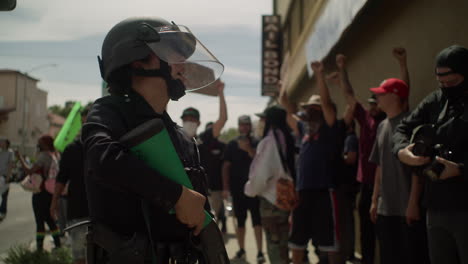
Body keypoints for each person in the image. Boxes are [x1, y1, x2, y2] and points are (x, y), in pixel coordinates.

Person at [82, 17, 225, 263]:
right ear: (138, 61)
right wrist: (175, 196)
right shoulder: (110, 112)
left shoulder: (182, 138)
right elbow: (102, 159)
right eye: (173, 53)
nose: (184, 65)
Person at [393, 45, 468, 264]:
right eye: (441, 83)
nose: (446, 88)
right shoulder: (435, 100)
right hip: (436, 205)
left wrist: (461, 169)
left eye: (452, 83)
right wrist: (402, 152)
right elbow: (402, 129)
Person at [335, 47, 409, 264]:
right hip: (368, 186)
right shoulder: (366, 119)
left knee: (395, 240)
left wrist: (403, 65)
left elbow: (405, 92)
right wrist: (342, 69)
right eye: (371, 102)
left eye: (375, 101)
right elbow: (349, 95)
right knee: (366, 231)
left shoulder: (395, 120)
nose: (373, 105)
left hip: (392, 189)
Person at [281, 61, 345, 264]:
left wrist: (319, 75)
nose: (311, 110)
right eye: (309, 108)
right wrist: (284, 80)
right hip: (302, 193)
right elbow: (284, 102)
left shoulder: (329, 127)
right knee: (297, 242)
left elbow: (326, 103)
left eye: (314, 108)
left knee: (329, 243)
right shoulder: (303, 130)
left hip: (323, 191)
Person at [367, 77, 428, 264]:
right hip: (386, 209)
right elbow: (379, 166)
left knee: (411, 257)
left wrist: (413, 203)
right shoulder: (382, 126)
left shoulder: (411, 125)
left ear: (395, 96)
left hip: (406, 209)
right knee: (388, 257)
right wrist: (375, 200)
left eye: (381, 93)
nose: (376, 97)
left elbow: (419, 166)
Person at [245, 105, 296, 264]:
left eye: (262, 119)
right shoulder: (287, 138)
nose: (260, 122)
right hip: (285, 199)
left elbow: (260, 175)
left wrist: (250, 189)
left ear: (269, 121)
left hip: (271, 203)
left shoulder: (269, 142)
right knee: (283, 247)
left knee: (275, 250)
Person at [222, 115, 265, 263]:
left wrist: (249, 149)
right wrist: (225, 188)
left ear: (250, 127)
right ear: (239, 126)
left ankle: (260, 252)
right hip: (237, 190)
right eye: (242, 124)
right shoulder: (232, 145)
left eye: (247, 125)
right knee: (240, 222)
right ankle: (241, 249)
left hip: (254, 190)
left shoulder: (257, 143)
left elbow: (262, 163)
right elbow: (226, 166)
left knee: (257, 221)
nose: (244, 127)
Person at [50, 107, 90, 264]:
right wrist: (53, 203)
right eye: (84, 121)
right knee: (80, 257)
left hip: (102, 216)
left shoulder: (106, 147)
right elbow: (61, 179)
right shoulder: (71, 150)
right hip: (79, 214)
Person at [16, 135, 62, 250]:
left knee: (40, 221)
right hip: (50, 192)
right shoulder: (55, 155)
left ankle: (39, 250)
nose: (38, 145)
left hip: (40, 192)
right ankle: (58, 245)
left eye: (39, 143)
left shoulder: (43, 156)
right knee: (50, 220)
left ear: (45, 144)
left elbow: (29, 171)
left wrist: (20, 158)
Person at [198, 121, 228, 233]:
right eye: (209, 131)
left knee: (219, 210)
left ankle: (221, 226)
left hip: (218, 186)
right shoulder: (198, 147)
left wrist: (226, 187)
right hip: (203, 187)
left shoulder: (223, 146)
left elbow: (226, 167)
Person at [0, 138, 14, 221]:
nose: (0, 143)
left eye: (2, 142)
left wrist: (8, 177)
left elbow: (10, 164)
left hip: (5, 176)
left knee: (4, 195)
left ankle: (3, 211)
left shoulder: (10, 152)